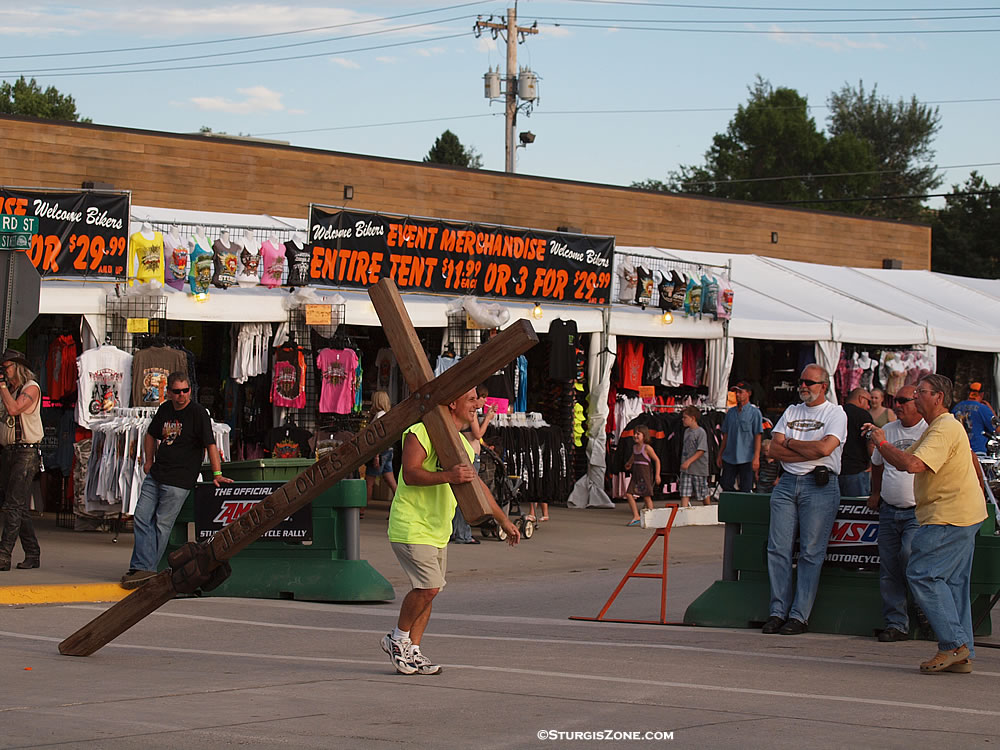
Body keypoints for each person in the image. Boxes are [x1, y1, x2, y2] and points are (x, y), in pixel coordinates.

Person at [381, 388, 520, 675]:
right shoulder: (420, 431)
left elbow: (477, 486)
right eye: (471, 400)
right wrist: (449, 475)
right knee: (428, 587)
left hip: (437, 529)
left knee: (429, 592)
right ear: (453, 403)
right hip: (411, 525)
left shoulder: (461, 446)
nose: (477, 405)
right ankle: (397, 638)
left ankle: (413, 649)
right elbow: (410, 473)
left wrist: (503, 520)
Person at [864, 374, 987, 673]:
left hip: (948, 516)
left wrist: (881, 442)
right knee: (953, 583)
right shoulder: (938, 427)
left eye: (921, 391)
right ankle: (962, 652)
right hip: (960, 514)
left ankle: (953, 645)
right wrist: (882, 444)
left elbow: (913, 465)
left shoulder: (944, 428)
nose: (915, 396)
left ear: (938, 397)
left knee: (923, 574)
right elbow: (903, 459)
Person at [121, 372, 232, 589]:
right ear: (169, 392)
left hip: (179, 479)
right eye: (177, 391)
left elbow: (210, 444)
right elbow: (151, 434)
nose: (181, 395)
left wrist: (217, 474)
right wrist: (148, 460)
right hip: (157, 474)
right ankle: (141, 567)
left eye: (185, 391)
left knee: (162, 523)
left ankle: (145, 568)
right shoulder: (165, 409)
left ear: (190, 390)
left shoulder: (198, 413)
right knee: (142, 517)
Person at [762, 364, 847, 636]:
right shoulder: (791, 411)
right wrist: (806, 450)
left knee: (811, 552)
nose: (803, 386)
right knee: (778, 549)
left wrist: (789, 443)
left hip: (819, 484)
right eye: (801, 381)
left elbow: (825, 448)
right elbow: (772, 449)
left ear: (824, 386)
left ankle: (799, 615)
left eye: (809, 382)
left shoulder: (835, 413)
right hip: (787, 482)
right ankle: (778, 611)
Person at [866, 385, 927, 642]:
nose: (897, 405)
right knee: (889, 568)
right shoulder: (887, 430)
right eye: (895, 400)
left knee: (909, 556)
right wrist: (875, 493)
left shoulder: (929, 431)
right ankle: (896, 623)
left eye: (903, 400)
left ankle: (924, 607)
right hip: (889, 510)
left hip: (918, 511)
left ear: (917, 402)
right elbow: (877, 465)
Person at [0, 350, 43, 571]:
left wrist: (2, 386)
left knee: (12, 506)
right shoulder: (11, 390)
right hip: (9, 451)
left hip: (25, 452)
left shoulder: (31, 388)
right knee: (17, 506)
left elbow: (14, 409)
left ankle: (3, 555)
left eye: (6, 367)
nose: (4, 372)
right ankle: (33, 553)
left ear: (17, 367)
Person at [451, 384, 496, 543]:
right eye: (480, 398)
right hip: (471, 456)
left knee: (458, 497)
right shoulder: (471, 414)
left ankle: (455, 532)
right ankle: (463, 533)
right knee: (468, 497)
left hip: (469, 454)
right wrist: (488, 419)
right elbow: (477, 434)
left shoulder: (466, 414)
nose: (482, 402)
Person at [717, 380, 762, 493]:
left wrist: (756, 457)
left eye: (740, 392)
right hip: (730, 456)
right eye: (736, 392)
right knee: (726, 484)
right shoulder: (730, 412)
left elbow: (757, 436)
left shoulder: (755, 413)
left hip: (747, 457)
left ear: (749, 393)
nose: (737, 395)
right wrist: (720, 454)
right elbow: (725, 435)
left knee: (745, 488)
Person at [365, 390, 398, 518]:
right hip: (388, 450)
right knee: (392, 482)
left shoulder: (379, 416)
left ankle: (361, 509)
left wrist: (376, 455)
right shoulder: (387, 415)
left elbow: (379, 438)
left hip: (380, 452)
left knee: (369, 482)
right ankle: (398, 508)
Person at [839, 388, 874, 497]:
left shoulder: (835, 412)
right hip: (857, 471)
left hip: (835, 471)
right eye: (868, 402)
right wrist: (873, 461)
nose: (869, 407)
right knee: (858, 505)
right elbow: (870, 442)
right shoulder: (863, 415)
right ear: (861, 399)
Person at [624, 424, 661, 524]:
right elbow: (633, 457)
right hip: (636, 475)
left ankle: (652, 517)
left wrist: (657, 475)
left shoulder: (647, 448)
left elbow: (657, 460)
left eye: (638, 434)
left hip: (645, 475)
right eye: (635, 433)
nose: (635, 436)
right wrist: (629, 463)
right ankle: (636, 515)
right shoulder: (634, 447)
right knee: (629, 494)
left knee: (646, 496)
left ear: (644, 435)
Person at [952, 382, 997, 454]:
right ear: (982, 394)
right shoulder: (983, 408)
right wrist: (991, 410)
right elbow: (996, 428)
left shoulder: (956, 407)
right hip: (977, 451)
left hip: (959, 451)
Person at [679, 407, 710, 508]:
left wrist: (689, 461)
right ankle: (683, 511)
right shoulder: (686, 432)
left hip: (698, 469)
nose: (683, 420)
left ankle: (708, 509)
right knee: (684, 492)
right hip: (686, 469)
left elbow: (701, 450)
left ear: (693, 418)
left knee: (702, 492)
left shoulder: (701, 432)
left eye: (685, 417)